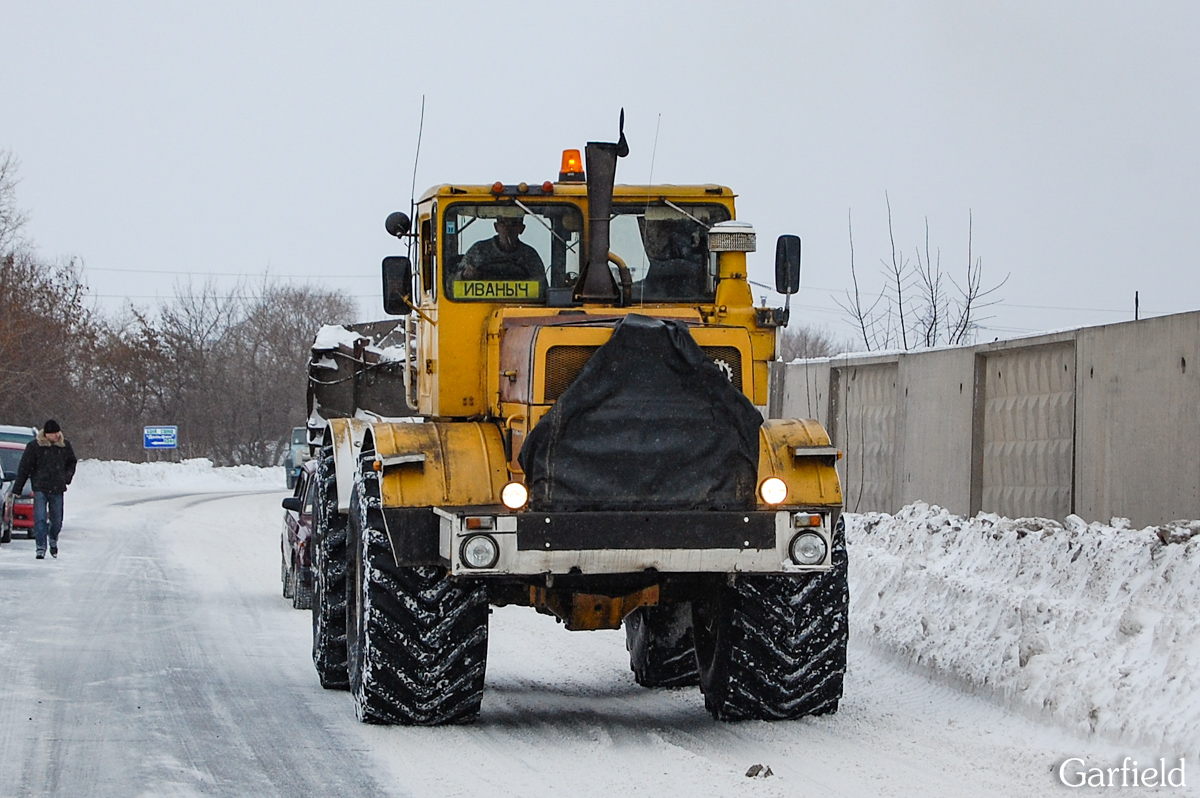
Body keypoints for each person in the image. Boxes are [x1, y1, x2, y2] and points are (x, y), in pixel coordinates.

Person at [13, 419, 77, 559]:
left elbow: (72, 462)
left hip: (57, 488)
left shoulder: (64, 446)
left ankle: (53, 539)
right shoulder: (34, 447)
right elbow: (24, 468)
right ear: (46, 434)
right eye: (53, 433)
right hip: (40, 487)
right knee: (40, 519)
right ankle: (40, 547)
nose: (56, 435)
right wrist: (18, 488)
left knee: (57, 520)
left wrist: (66, 477)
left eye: (57, 432)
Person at [459, 214, 547, 292]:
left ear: (522, 229)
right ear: (496, 227)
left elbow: (542, 289)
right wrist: (464, 275)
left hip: (520, 308)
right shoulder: (478, 251)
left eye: (513, 224)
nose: (507, 228)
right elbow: (450, 285)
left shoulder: (530, 256)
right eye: (502, 223)